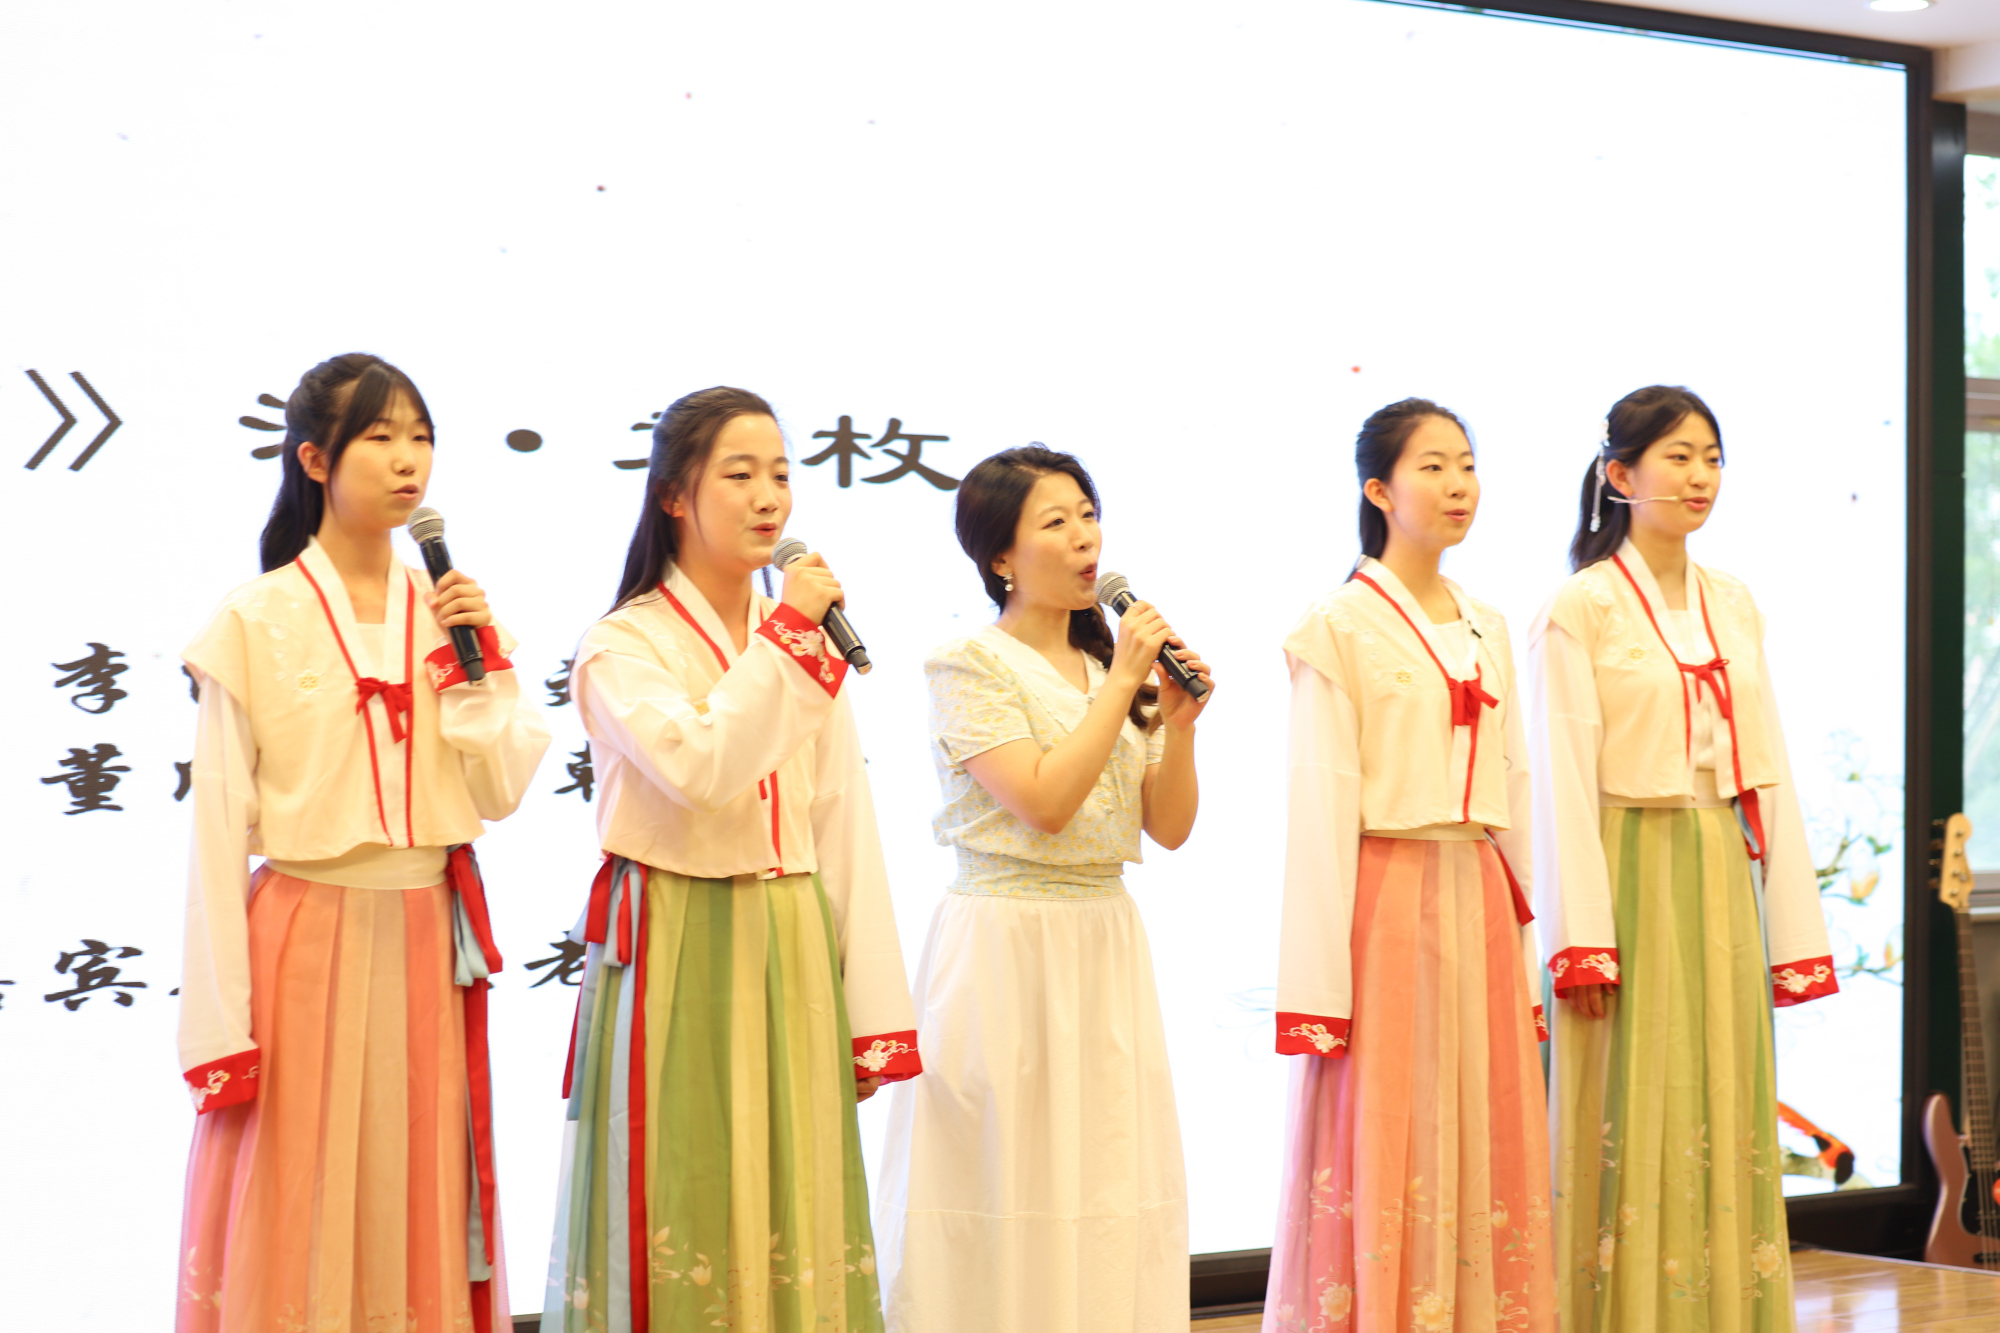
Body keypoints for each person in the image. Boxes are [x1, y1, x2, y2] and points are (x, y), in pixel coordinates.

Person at [176, 352, 552, 1333]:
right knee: (297, 1185)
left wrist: (479, 674)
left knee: (413, 1180)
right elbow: (215, 832)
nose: (407, 460)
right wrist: (219, 1027)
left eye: (420, 438)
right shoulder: (254, 618)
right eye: (380, 437)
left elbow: (501, 788)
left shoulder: (452, 608)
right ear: (314, 459)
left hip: (426, 931)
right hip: (304, 933)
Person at [541, 386, 919, 1333]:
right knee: (685, 1190)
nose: (769, 498)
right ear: (674, 495)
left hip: (790, 937)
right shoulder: (622, 643)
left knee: (797, 1201)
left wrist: (869, 1009)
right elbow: (699, 766)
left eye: (781, 475)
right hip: (679, 938)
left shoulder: (795, 639)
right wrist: (789, 637)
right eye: (740, 474)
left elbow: (840, 818)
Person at [873, 444, 1212, 1333]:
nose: (1084, 537)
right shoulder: (968, 662)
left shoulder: (1109, 670)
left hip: (1103, 939)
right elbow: (1044, 803)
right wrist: (1129, 681)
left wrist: (1178, 725)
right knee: (1003, 1178)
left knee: (1105, 1176)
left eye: (1088, 515)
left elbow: (1169, 825)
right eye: (1055, 522)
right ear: (1001, 557)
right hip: (1004, 941)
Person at [1532, 384, 1836, 1332]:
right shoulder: (1580, 606)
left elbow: (1767, 758)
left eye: (1712, 456)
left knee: (1724, 1095)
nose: (1701, 475)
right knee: (1630, 1100)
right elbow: (1560, 783)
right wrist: (1580, 938)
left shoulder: (1734, 600)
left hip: (1718, 867)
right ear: (1619, 475)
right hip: (1624, 866)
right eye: (1678, 455)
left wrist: (1789, 914)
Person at [1263, 399, 1553, 1333]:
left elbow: (1515, 782)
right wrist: (1316, 985)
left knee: (1483, 1119)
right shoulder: (1337, 625)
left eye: (1466, 463)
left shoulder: (1489, 622)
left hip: (1479, 892)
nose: (1459, 484)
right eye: (1432, 466)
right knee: (1386, 1122)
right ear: (1379, 490)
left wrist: (1530, 938)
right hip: (1385, 898)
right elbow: (1319, 801)